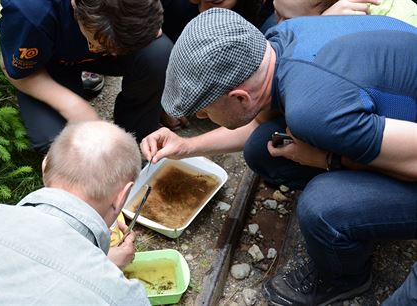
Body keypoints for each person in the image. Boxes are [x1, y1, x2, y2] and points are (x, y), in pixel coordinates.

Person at [140, 8, 417, 305]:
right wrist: (186, 146)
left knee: (322, 205)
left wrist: (328, 160)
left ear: (239, 97)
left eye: (205, 110)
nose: (201, 115)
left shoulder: (314, 109)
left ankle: (344, 278)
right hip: (393, 119)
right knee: (264, 147)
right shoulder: (279, 41)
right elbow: (257, 121)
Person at [0, 121, 149, 305]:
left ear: (44, 164)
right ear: (121, 196)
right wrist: (103, 273)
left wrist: (101, 266)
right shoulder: (122, 298)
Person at [0, 0, 173, 153]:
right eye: (101, 44)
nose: (113, 53)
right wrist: (74, 106)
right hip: (47, 61)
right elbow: (14, 68)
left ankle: (136, 139)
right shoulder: (31, 11)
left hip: (95, 44)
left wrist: (164, 96)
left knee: (158, 54)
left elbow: (154, 32)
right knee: (58, 140)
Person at [273, 0, 417, 27]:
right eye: (276, 12)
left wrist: (320, 28)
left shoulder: (398, 23)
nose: (277, 27)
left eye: (286, 19)